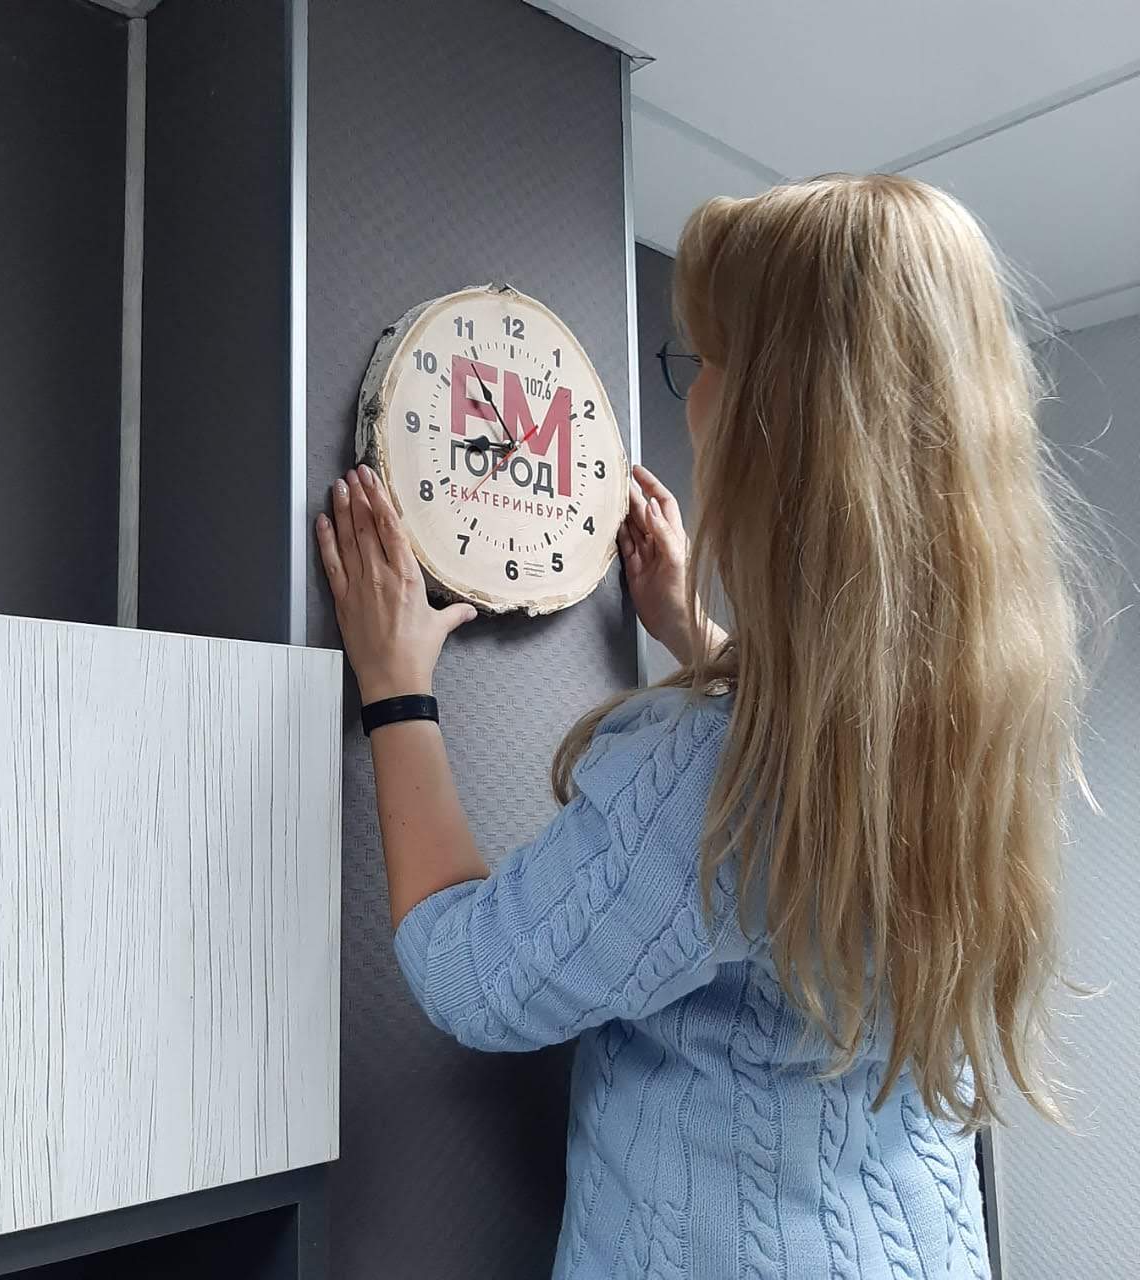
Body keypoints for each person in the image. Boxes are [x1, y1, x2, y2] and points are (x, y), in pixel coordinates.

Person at [315, 174, 1087, 1278]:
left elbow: (471, 972)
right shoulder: (986, 712)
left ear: (783, 427)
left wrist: (396, 689)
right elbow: (827, 762)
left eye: (707, 358)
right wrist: (697, 633)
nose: (693, 393)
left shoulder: (705, 771)